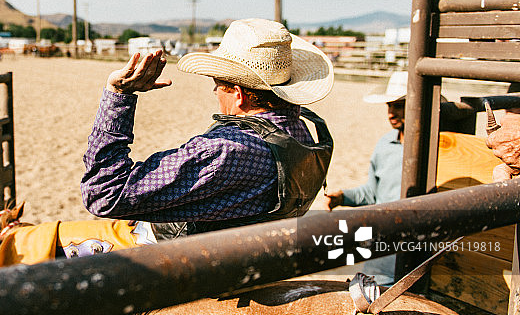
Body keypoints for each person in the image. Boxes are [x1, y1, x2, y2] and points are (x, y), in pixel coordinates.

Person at [81, 18, 334, 238]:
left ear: (238, 94)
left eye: (217, 84)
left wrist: (119, 94)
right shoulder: (303, 131)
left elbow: (104, 193)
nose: (214, 91)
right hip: (248, 255)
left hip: (187, 260)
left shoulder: (224, 150)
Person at [322, 71, 410, 209]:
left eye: (398, 106)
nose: (391, 114)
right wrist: (342, 197)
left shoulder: (436, 149)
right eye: (389, 105)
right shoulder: (385, 143)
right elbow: (372, 193)